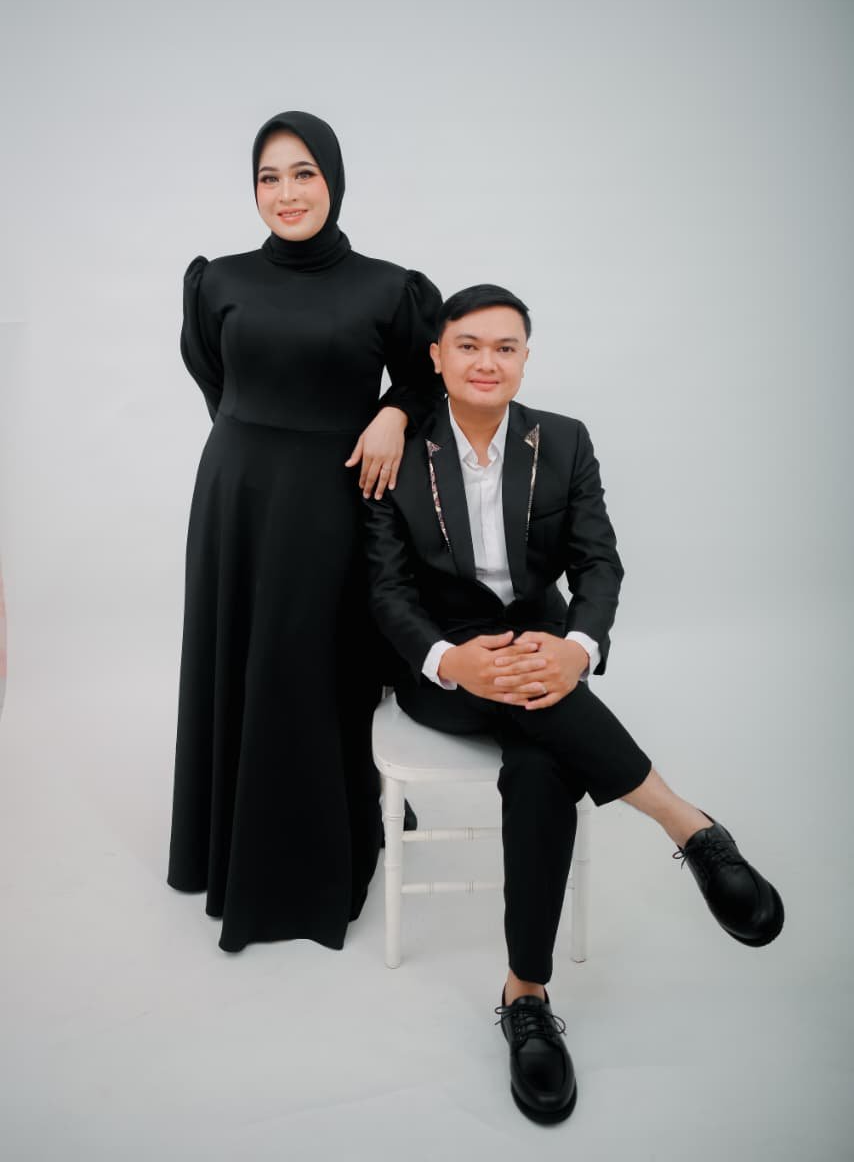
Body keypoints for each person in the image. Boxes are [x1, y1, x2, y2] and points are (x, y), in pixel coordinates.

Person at [362, 284, 784, 1125]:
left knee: (539, 767)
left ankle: (526, 994)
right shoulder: (396, 452)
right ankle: (688, 826)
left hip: (541, 649)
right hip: (442, 660)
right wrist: (450, 662)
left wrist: (578, 647)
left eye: (506, 347)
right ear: (437, 357)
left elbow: (598, 563)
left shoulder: (564, 439)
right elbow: (387, 591)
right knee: (537, 712)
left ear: (526, 358)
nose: (487, 362)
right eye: (469, 345)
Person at [168, 111, 441, 953]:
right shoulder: (218, 280)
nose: (285, 193)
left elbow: (429, 377)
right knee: (240, 661)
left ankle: (321, 856)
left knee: (319, 671)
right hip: (238, 502)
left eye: (303, 173)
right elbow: (217, 380)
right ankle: (233, 849)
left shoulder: (388, 287)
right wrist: (259, 445)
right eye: (269, 177)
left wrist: (394, 412)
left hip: (335, 504)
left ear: (333, 180)